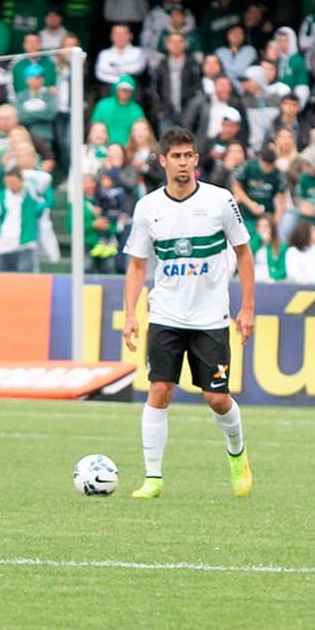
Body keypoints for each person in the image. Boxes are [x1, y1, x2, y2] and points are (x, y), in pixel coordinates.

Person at [122, 126, 255, 500]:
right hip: (165, 314)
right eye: (175, 156)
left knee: (216, 398)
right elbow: (136, 265)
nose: (183, 163)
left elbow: (243, 253)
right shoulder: (149, 207)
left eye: (188, 156)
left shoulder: (220, 201)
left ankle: (237, 454)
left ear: (196, 160)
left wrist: (247, 308)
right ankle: (153, 478)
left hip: (210, 318)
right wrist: (130, 314)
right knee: (159, 390)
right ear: (162, 161)